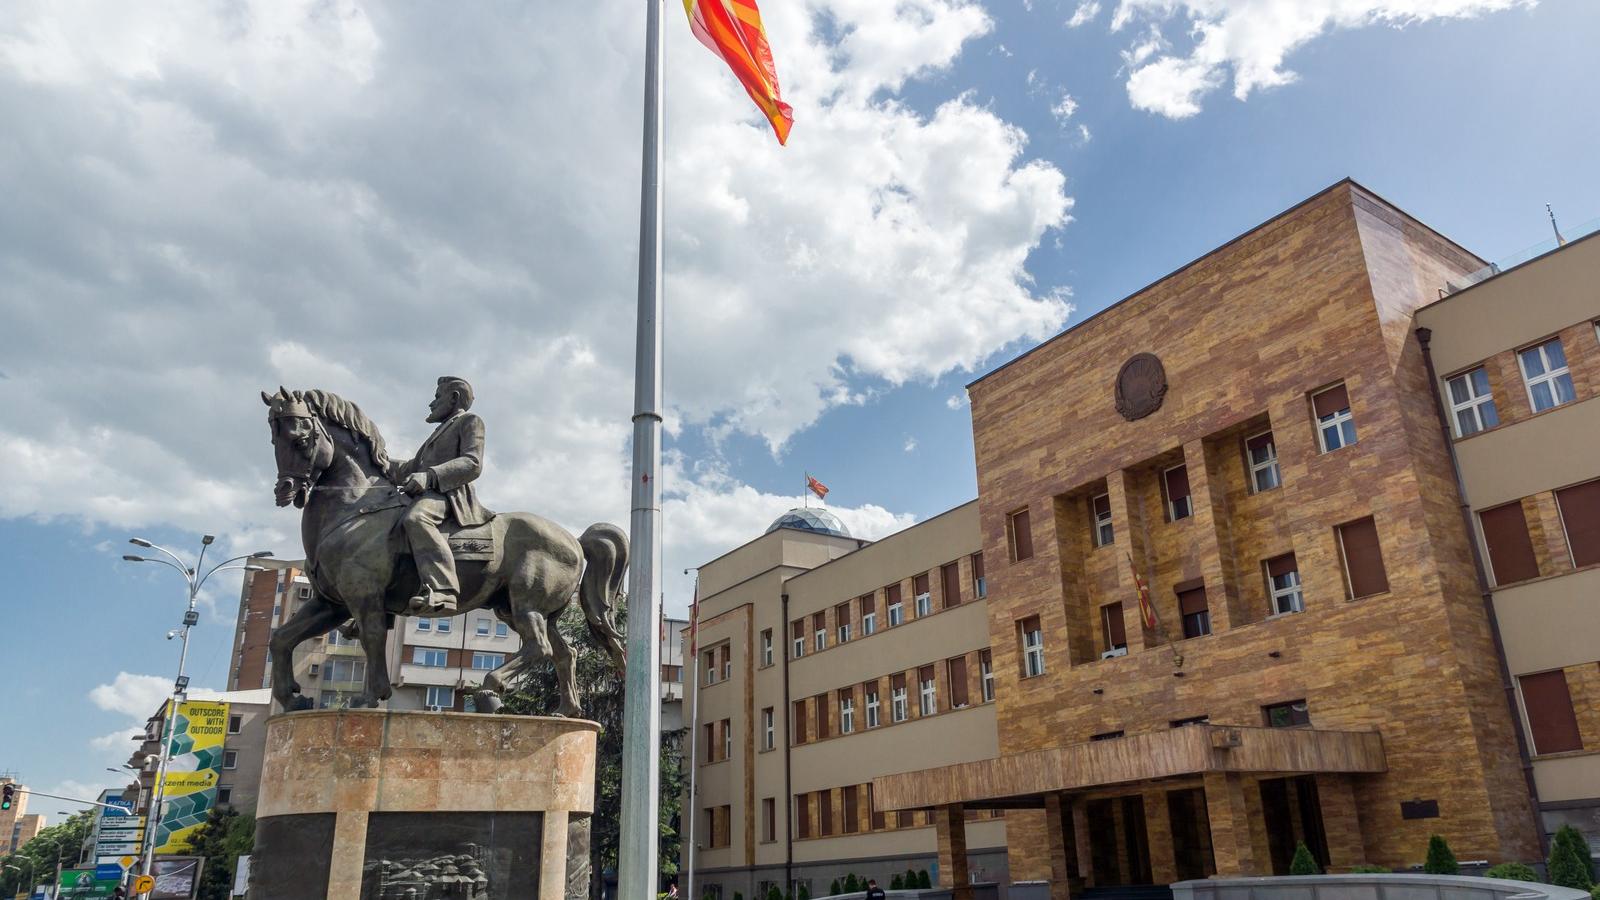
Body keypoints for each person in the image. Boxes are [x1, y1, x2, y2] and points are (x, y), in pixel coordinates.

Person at [385, 376, 491, 615]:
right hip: (426, 493)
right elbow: (411, 468)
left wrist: (430, 477)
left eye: (437, 397)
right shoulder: (439, 431)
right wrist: (379, 463)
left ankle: (443, 590)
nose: (431, 404)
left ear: (453, 398)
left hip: (449, 496)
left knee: (416, 519)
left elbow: (472, 463)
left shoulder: (469, 421)